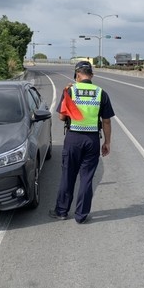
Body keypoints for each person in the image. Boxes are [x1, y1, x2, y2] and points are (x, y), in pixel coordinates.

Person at [49, 61, 115, 224]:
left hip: (73, 138)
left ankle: (62, 211)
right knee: (86, 178)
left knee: (68, 175)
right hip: (92, 139)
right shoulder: (101, 93)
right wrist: (107, 142)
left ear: (77, 75)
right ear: (91, 75)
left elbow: (62, 117)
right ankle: (81, 215)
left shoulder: (70, 91)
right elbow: (106, 121)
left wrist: (68, 98)